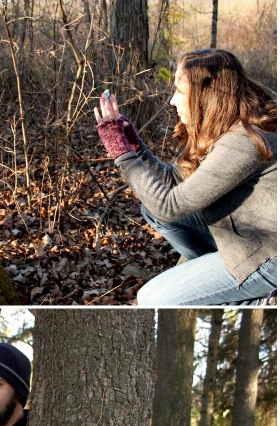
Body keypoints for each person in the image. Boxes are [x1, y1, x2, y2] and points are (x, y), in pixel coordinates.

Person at [94, 48, 277, 306]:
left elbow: (170, 207)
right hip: (241, 236)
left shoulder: (243, 142)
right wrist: (135, 147)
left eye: (180, 92)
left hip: (266, 257)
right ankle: (212, 281)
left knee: (150, 298)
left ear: (206, 96)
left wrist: (122, 154)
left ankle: (250, 299)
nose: (172, 100)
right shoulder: (225, 126)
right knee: (151, 209)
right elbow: (175, 184)